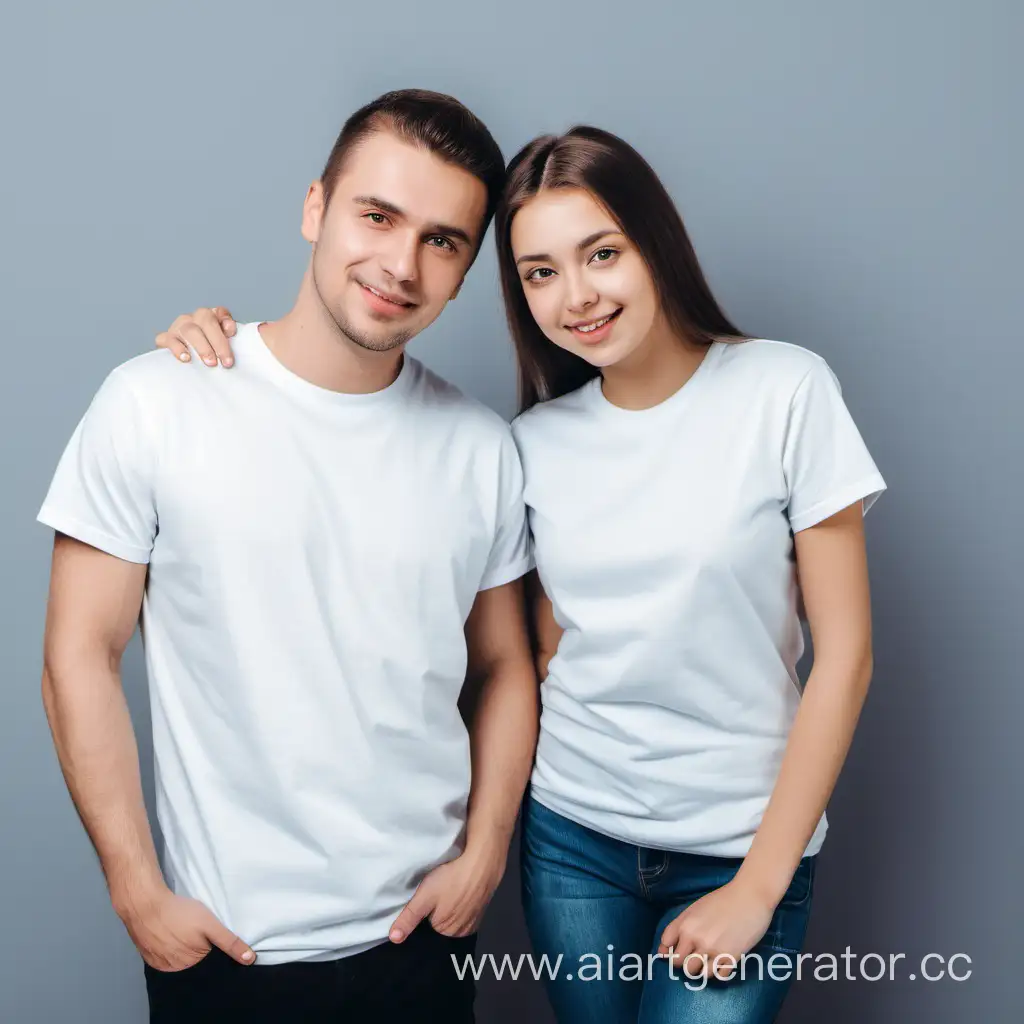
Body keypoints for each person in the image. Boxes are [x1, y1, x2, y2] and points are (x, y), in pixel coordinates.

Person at [156, 127, 886, 1023]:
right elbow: (534, 658)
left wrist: (761, 883)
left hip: (741, 843)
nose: (576, 295)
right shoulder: (528, 447)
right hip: (573, 840)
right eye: (539, 272)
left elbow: (844, 658)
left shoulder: (786, 392)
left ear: (656, 242)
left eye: (602, 254)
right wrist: (221, 346)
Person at [36, 89, 540, 1024]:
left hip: (421, 949)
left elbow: (508, 665)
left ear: (468, 268)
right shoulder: (156, 403)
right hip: (229, 956)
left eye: (443, 240)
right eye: (377, 215)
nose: (400, 263)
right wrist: (136, 890)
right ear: (316, 207)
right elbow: (78, 654)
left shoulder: (481, 450)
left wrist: (485, 854)